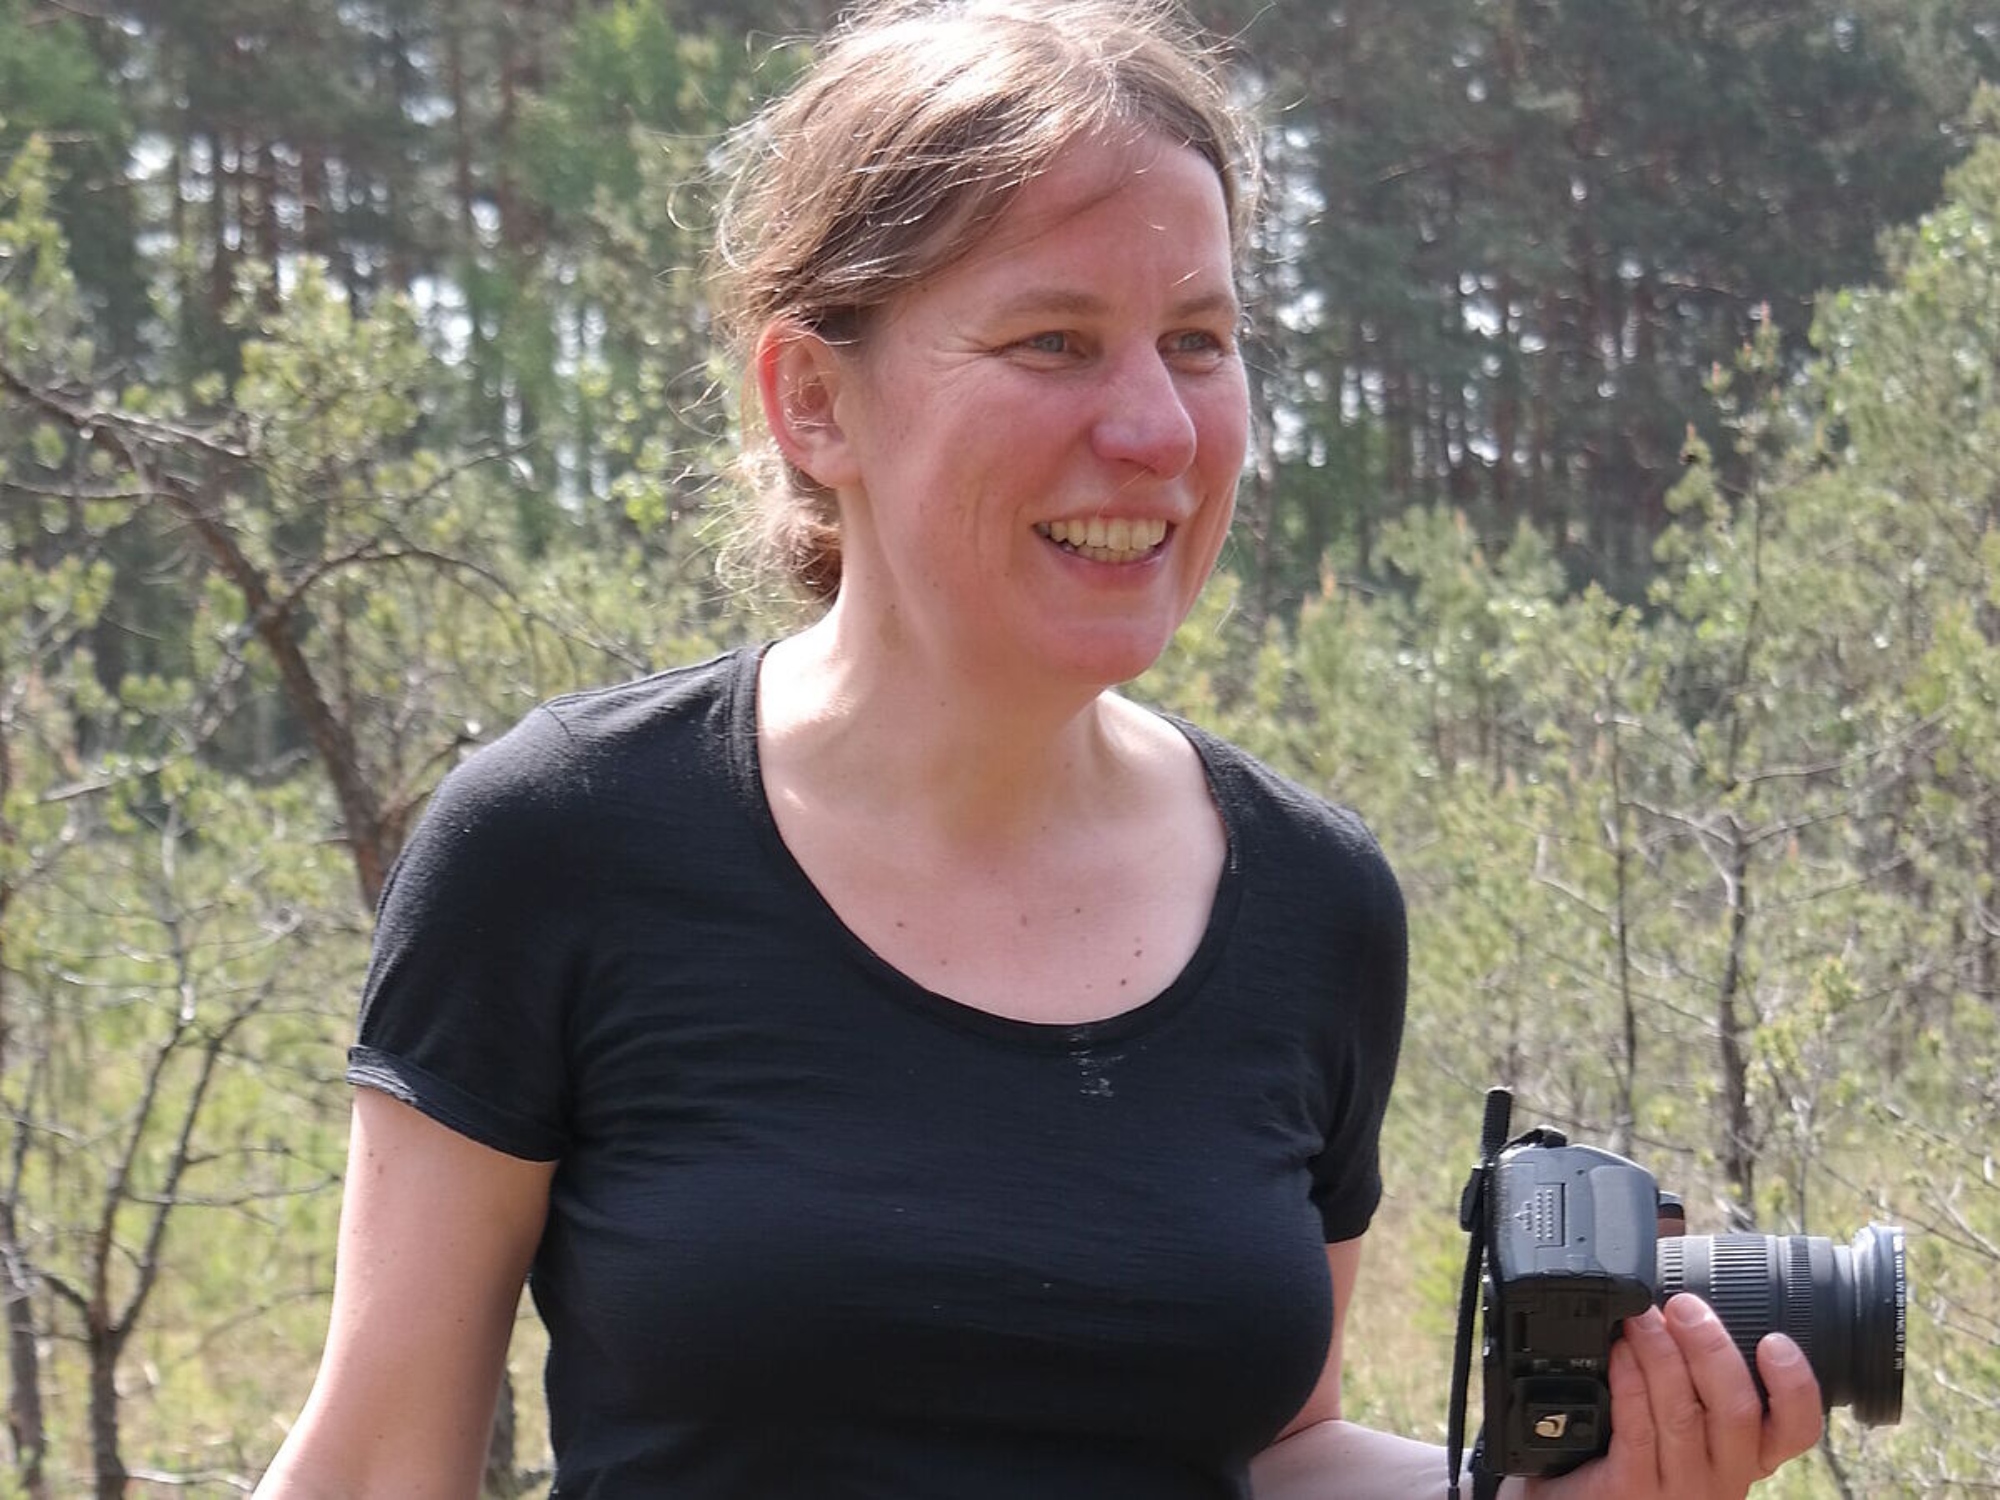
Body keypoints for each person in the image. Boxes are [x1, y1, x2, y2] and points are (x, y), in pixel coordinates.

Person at [254, 1, 1826, 1495]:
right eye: (1056, 342)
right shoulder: (565, 840)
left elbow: (1269, 1453)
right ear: (814, 401)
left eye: (1198, 341)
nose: (1158, 430)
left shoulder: (1311, 898)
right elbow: (371, 1467)